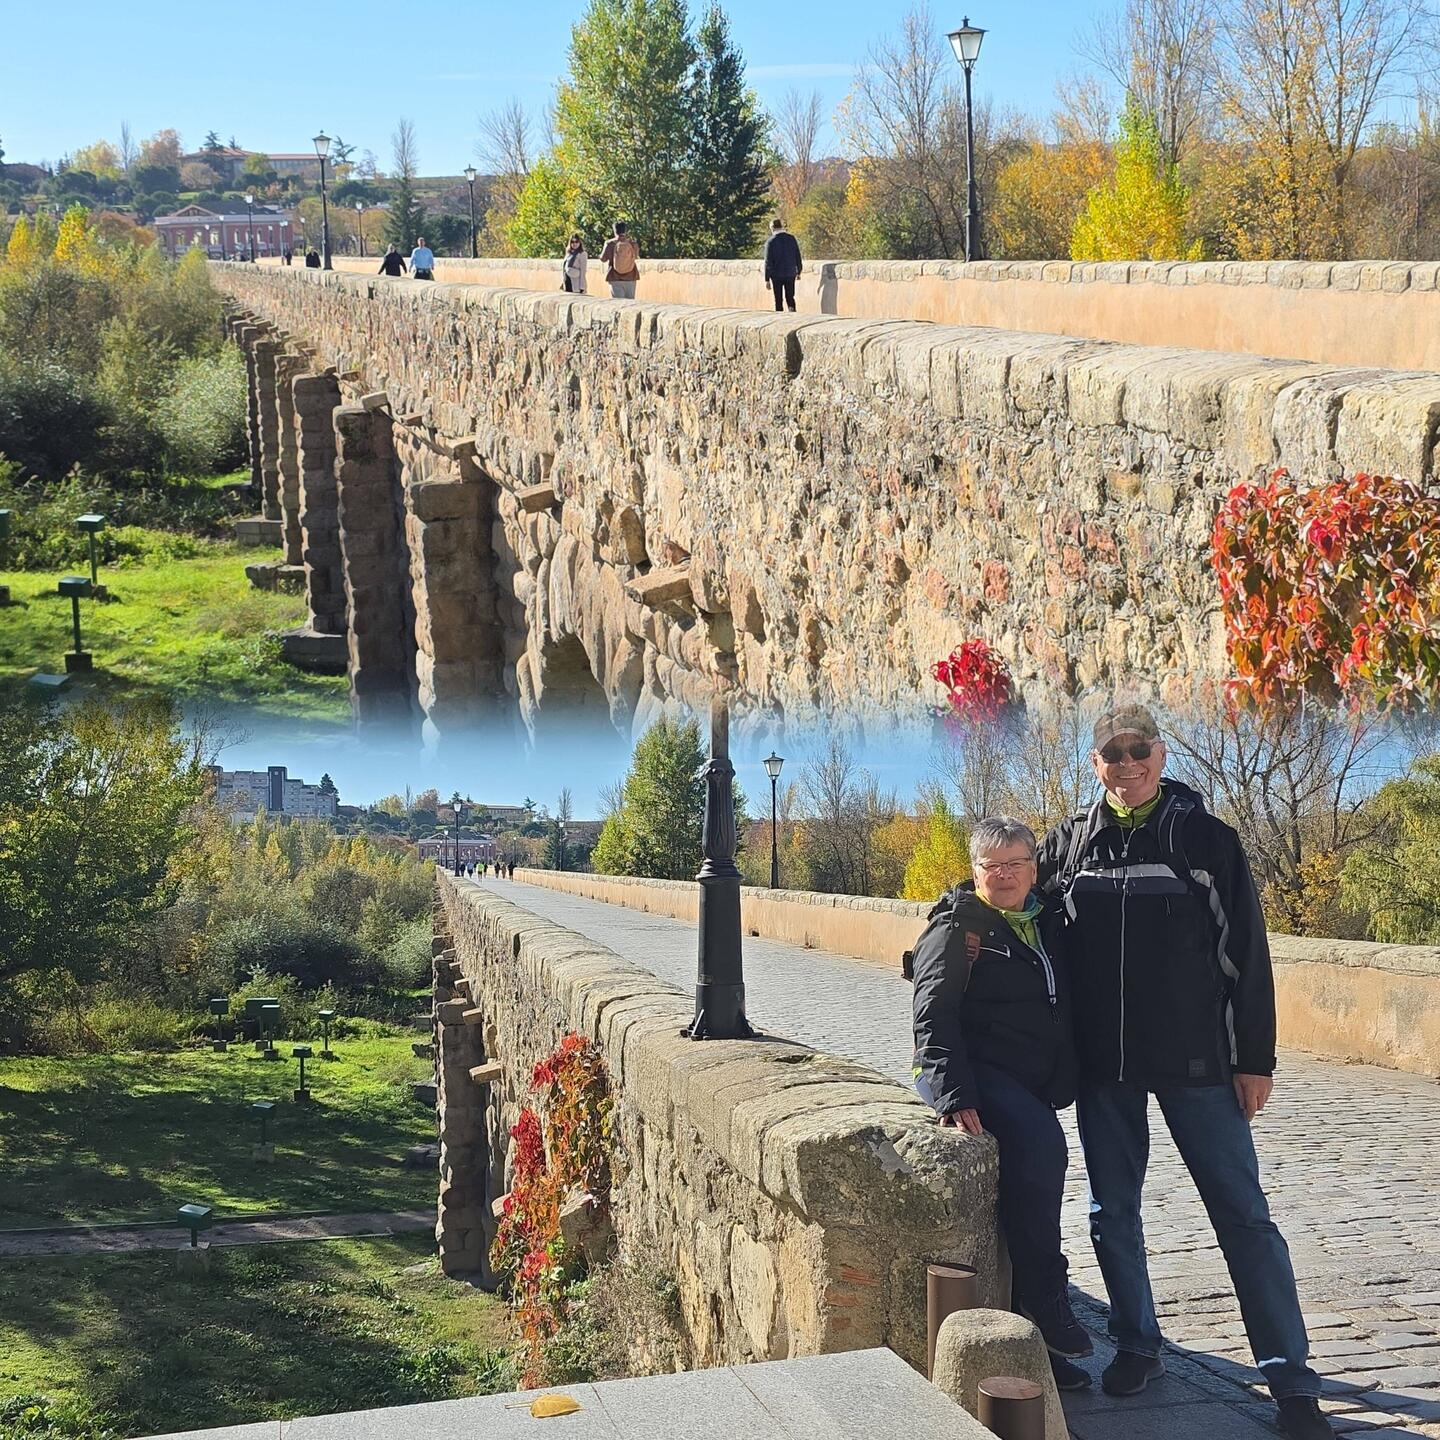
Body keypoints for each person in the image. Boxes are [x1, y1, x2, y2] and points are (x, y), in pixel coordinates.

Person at [1038, 704, 1330, 1440]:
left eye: (1138, 748)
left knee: (1243, 1216)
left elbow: (1246, 956)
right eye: (1113, 752)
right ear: (1096, 763)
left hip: (1198, 1063)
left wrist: (1254, 1059)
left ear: (1161, 754)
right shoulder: (1069, 845)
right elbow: (1006, 896)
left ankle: (1291, 1379)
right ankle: (1138, 1345)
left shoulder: (1207, 840)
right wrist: (948, 936)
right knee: (1112, 1214)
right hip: (1106, 1066)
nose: (1127, 763)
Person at [912, 816, 1091, 1373]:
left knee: (1023, 1188)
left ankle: (1031, 1344)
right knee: (1043, 1151)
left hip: (1031, 1077)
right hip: (977, 1069)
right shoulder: (958, 928)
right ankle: (1046, 1297)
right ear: (975, 872)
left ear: (1034, 869)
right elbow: (933, 1012)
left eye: (1016, 863)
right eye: (993, 866)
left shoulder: (1049, 920)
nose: (1005, 875)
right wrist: (954, 1093)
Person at [762, 218, 803, 312]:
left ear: (772, 228)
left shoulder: (770, 242)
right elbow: (797, 255)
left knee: (778, 299)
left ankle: (780, 316)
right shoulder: (791, 238)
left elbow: (768, 262)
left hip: (776, 275)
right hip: (790, 273)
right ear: (781, 226)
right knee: (790, 297)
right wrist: (799, 271)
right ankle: (792, 314)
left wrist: (767, 279)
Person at [598, 221, 640, 299]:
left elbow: (603, 259)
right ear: (625, 230)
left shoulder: (610, 244)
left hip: (615, 277)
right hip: (631, 277)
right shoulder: (633, 243)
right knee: (630, 303)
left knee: (618, 303)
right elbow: (636, 256)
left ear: (615, 231)